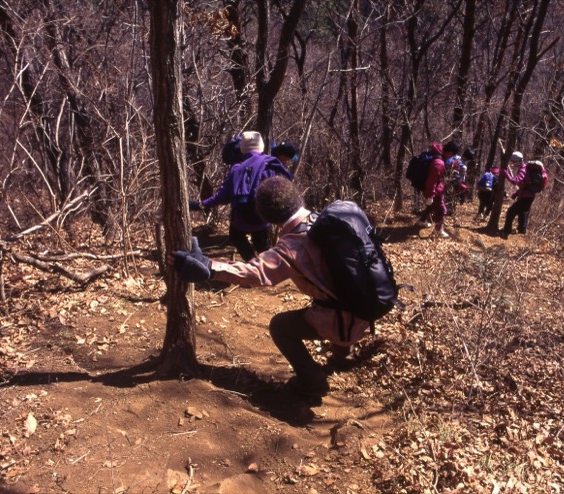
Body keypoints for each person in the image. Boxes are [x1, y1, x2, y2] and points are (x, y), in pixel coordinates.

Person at [171, 176, 367, 398]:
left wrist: (209, 266)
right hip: (368, 306)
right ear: (297, 198)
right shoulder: (324, 220)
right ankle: (344, 356)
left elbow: (254, 272)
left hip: (342, 321)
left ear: (266, 217)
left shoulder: (293, 245)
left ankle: (312, 383)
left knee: (280, 326)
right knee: (330, 301)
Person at [190, 131, 293, 261]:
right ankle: (269, 265)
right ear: (261, 146)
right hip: (262, 218)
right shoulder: (270, 164)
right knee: (262, 243)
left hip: (241, 219)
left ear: (242, 148)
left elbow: (222, 196)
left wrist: (200, 205)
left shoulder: (236, 168)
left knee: (236, 236)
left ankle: (252, 262)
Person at [501, 152, 548, 238]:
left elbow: (515, 181)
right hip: (527, 196)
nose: (513, 164)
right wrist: (516, 194)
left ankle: (506, 231)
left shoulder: (523, 170)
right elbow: (524, 185)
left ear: (518, 161)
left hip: (526, 197)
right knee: (522, 212)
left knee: (511, 212)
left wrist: (505, 173)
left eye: (514, 162)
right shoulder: (525, 168)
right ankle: (521, 230)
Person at [415, 141, 448, 237]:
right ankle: (438, 230)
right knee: (441, 209)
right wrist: (430, 195)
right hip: (434, 191)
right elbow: (431, 181)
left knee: (431, 206)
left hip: (433, 189)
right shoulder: (438, 163)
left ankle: (421, 221)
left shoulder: (433, 160)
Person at [442, 140, 467, 217]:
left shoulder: (450, 158)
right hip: (449, 180)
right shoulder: (452, 159)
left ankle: (448, 210)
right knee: (448, 195)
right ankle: (447, 211)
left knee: (448, 195)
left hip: (449, 180)